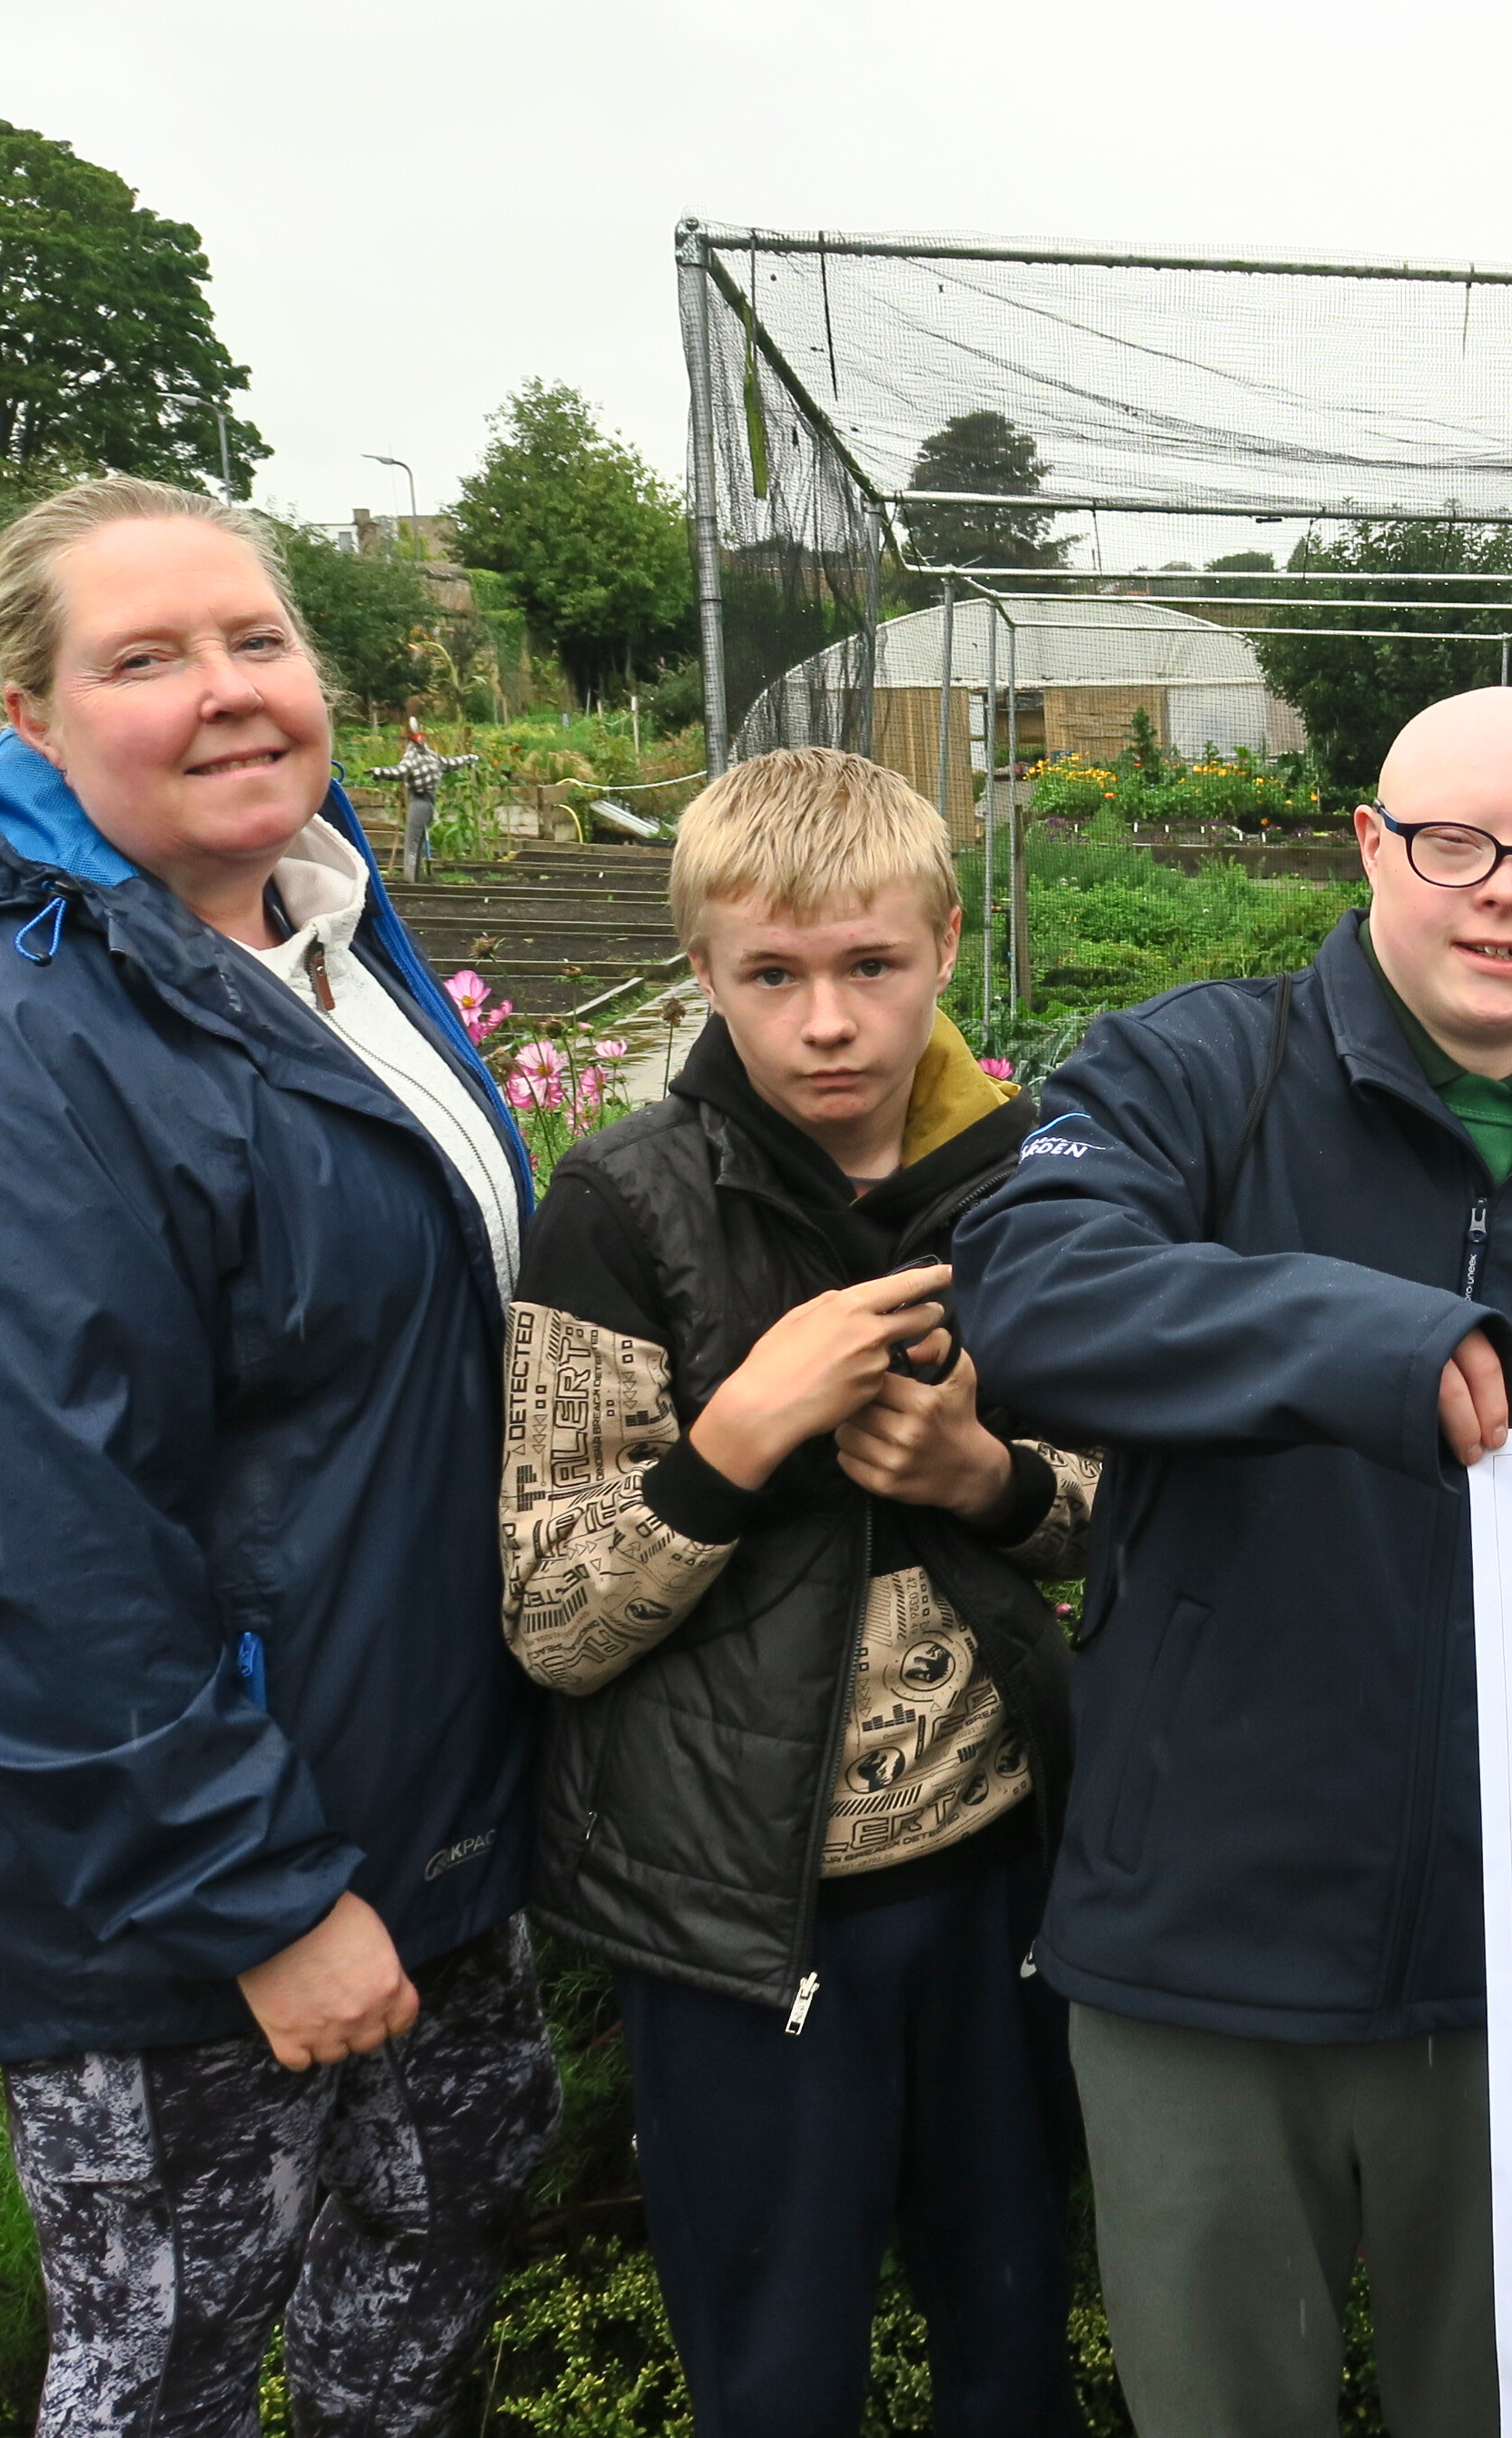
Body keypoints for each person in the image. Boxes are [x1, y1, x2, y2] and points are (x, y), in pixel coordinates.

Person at [0, 476, 554, 2438]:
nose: (225, 693)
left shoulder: (317, 925)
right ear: (29, 718)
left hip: (411, 1814)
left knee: (415, 2305)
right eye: (143, 658)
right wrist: (263, 1900)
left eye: (256, 640)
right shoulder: (3, 1029)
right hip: (190, 1888)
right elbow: (13, 1548)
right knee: (171, 2376)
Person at [959, 687, 1512, 2438]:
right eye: (1454, 842)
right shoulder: (1195, 1070)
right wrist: (1364, 1340)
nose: (1503, 891)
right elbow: (1028, 1290)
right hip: (1205, 1953)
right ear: (1372, 846)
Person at [499, 748, 1092, 2436]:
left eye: (870, 966)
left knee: (1011, 2328)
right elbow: (552, 1614)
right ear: (705, 970)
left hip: (1000, 1876)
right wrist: (738, 1433)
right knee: (776, 2362)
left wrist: (991, 1477)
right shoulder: (623, 1206)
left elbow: (1131, 1516)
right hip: (743, 1921)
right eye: (772, 974)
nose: (826, 1020)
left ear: (946, 946)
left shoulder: (1038, 1181)